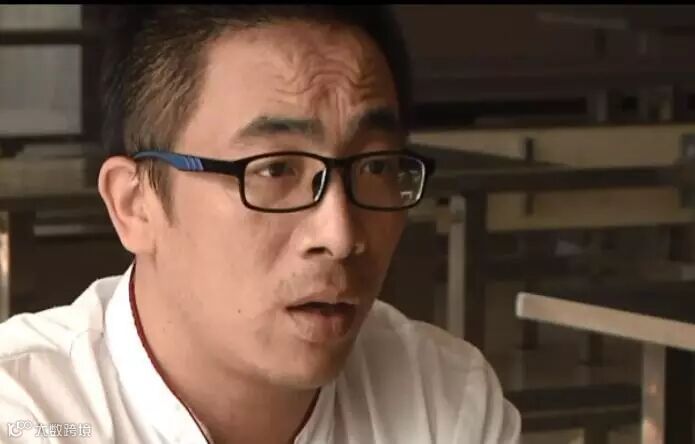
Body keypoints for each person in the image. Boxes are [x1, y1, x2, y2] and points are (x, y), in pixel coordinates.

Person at [0, 5, 520, 443]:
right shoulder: (27, 413)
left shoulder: (444, 403)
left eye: (376, 166)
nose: (340, 236)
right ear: (135, 204)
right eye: (274, 170)